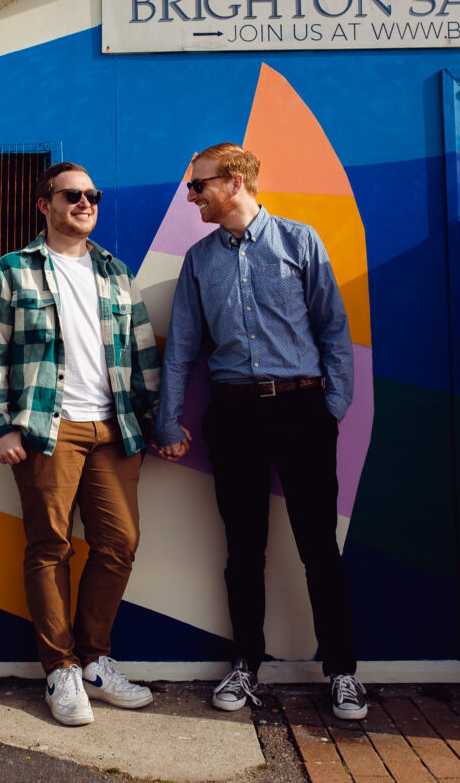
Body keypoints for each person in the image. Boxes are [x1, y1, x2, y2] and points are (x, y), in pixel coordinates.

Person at [154, 142, 367, 721]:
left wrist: (334, 407)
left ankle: (344, 673)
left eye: (198, 185)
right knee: (243, 548)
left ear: (236, 181)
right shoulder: (199, 260)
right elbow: (183, 352)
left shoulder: (300, 242)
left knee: (319, 546)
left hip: (302, 412)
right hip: (234, 416)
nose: (191, 195)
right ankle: (246, 664)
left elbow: (333, 330)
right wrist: (167, 418)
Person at [0, 161, 160, 726]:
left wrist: (152, 422)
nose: (85, 202)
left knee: (119, 543)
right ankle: (61, 670)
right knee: (50, 545)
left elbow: (143, 353)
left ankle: (96, 660)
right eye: (72, 194)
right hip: (46, 428)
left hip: (113, 430)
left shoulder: (115, 272)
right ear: (45, 204)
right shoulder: (13, 270)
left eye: (93, 195)